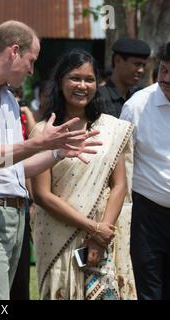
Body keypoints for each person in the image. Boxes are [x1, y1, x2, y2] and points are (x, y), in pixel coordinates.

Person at [0, 20, 102, 300]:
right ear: (14, 51)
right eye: (31, 60)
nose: (31, 70)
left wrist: (57, 153)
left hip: (14, 213)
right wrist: (40, 142)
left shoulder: (9, 99)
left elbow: (14, 168)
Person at [30, 49, 136, 300]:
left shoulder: (111, 129)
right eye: (74, 78)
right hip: (59, 233)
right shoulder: (44, 132)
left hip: (105, 234)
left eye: (89, 79)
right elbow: (42, 194)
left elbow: (119, 185)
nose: (82, 85)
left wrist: (101, 236)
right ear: (60, 81)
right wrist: (93, 228)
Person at [120, 42, 170, 300]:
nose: (166, 79)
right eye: (163, 70)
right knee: (149, 290)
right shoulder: (137, 106)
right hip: (147, 215)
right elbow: (118, 163)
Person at [99, 37, 151, 118]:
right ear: (118, 60)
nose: (141, 70)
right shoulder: (98, 97)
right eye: (137, 64)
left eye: (143, 65)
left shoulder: (139, 97)